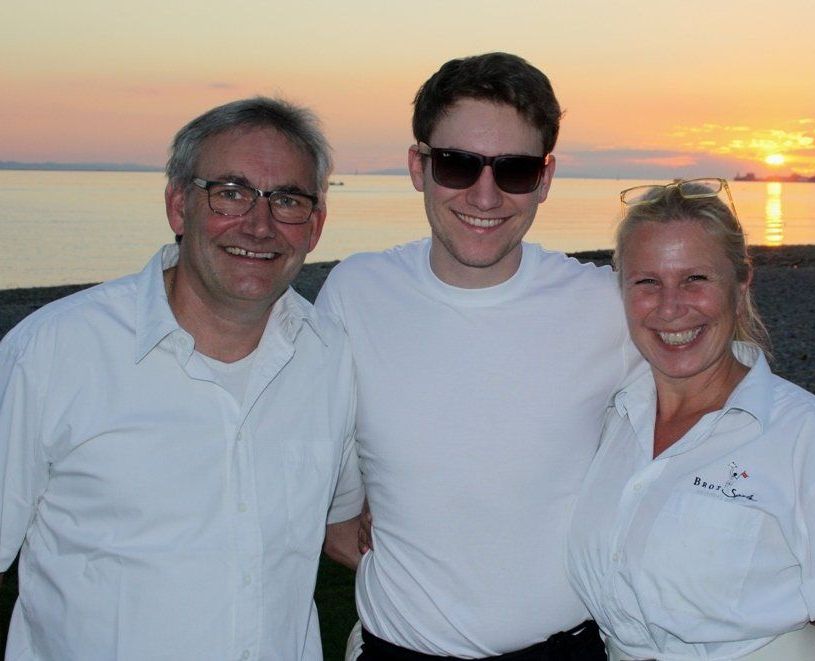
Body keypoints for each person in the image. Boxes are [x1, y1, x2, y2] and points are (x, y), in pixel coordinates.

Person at [0, 97, 361, 660]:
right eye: (232, 193)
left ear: (314, 226)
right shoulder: (53, 353)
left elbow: (343, 527)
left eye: (287, 200)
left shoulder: (332, 357)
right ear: (177, 206)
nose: (259, 224)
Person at [319, 52, 640, 659]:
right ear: (419, 166)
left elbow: (731, 402)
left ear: (545, 178)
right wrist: (337, 511)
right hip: (398, 647)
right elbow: (323, 428)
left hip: (563, 648)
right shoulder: (357, 293)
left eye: (514, 171)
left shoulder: (605, 305)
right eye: (457, 164)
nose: (485, 196)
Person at [567, 178, 815, 659]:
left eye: (696, 279)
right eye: (647, 281)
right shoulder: (610, 421)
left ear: (740, 282)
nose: (671, 307)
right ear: (621, 289)